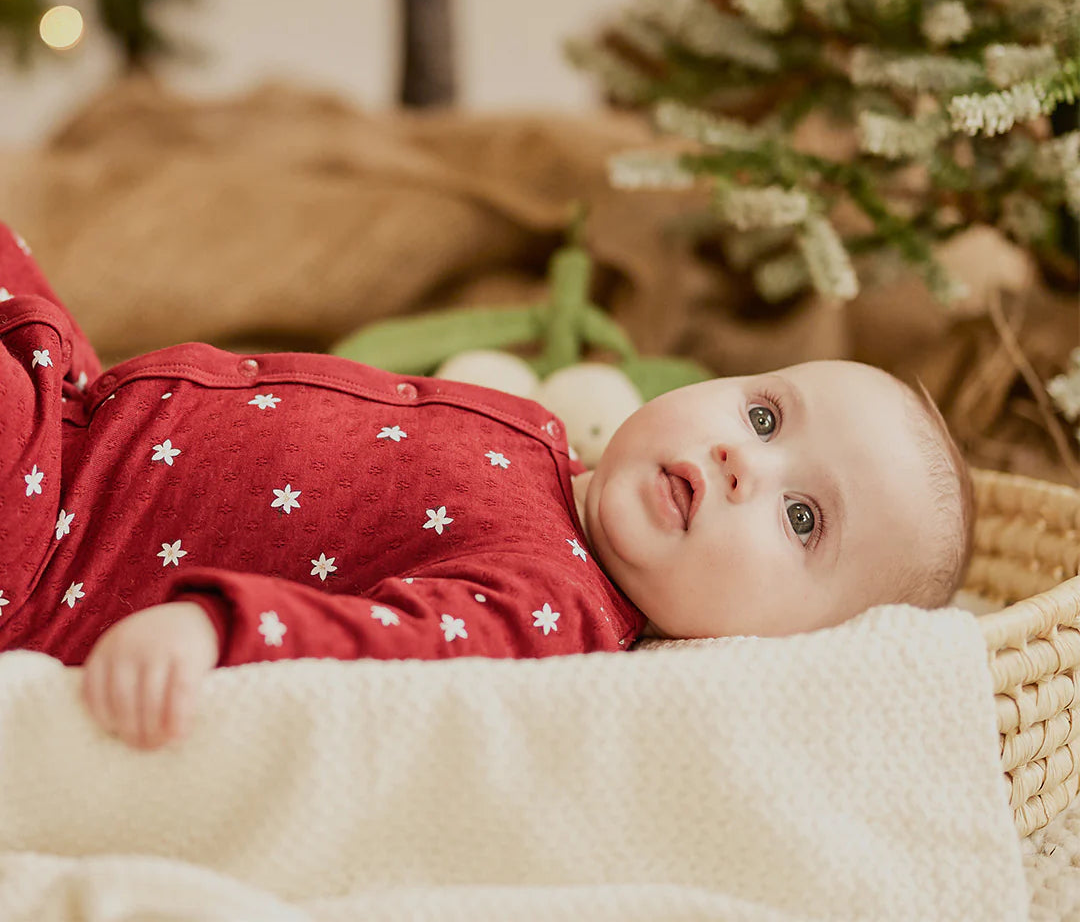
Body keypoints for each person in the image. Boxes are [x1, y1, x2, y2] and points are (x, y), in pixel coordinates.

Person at [0, 221, 974, 751]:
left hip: (48, 542)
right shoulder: (552, 446)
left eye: (802, 518)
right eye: (764, 417)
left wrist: (216, 629)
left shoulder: (552, 607)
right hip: (84, 402)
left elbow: (382, 653)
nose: (740, 461)